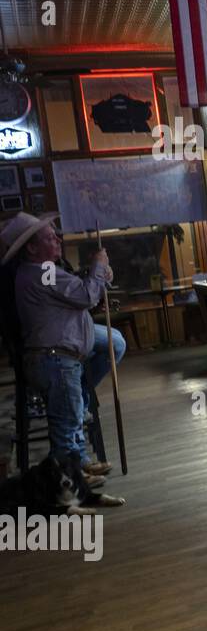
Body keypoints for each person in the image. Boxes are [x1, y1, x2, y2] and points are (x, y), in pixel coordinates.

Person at [2, 211, 123, 506]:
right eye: (49, 237)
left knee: (114, 342)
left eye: (56, 233)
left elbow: (81, 290)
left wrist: (100, 274)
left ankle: (79, 452)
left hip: (63, 349)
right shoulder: (41, 272)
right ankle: (70, 482)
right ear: (31, 248)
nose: (57, 239)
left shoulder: (42, 269)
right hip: (55, 356)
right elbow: (84, 296)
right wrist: (97, 267)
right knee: (65, 427)